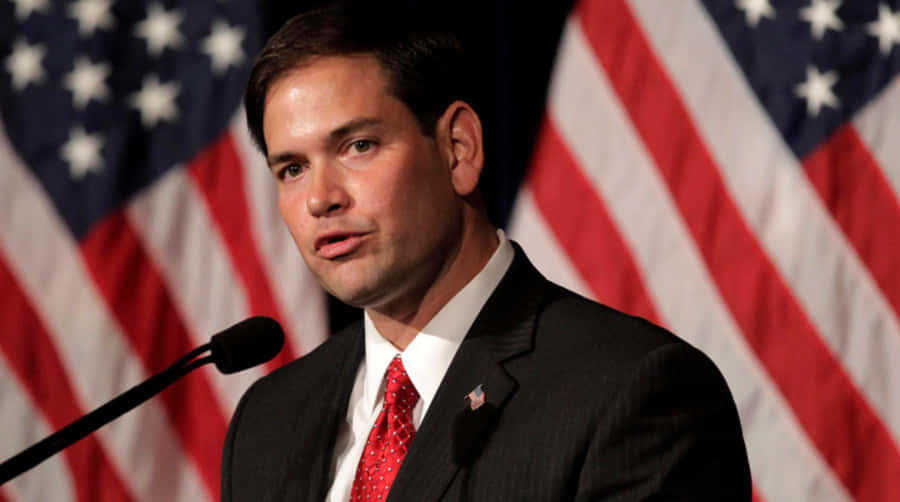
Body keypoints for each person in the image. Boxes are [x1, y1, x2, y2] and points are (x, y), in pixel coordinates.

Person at [221, 3, 752, 501]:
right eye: (292, 169)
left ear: (459, 148)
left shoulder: (631, 394)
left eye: (358, 146)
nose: (320, 198)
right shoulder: (268, 422)